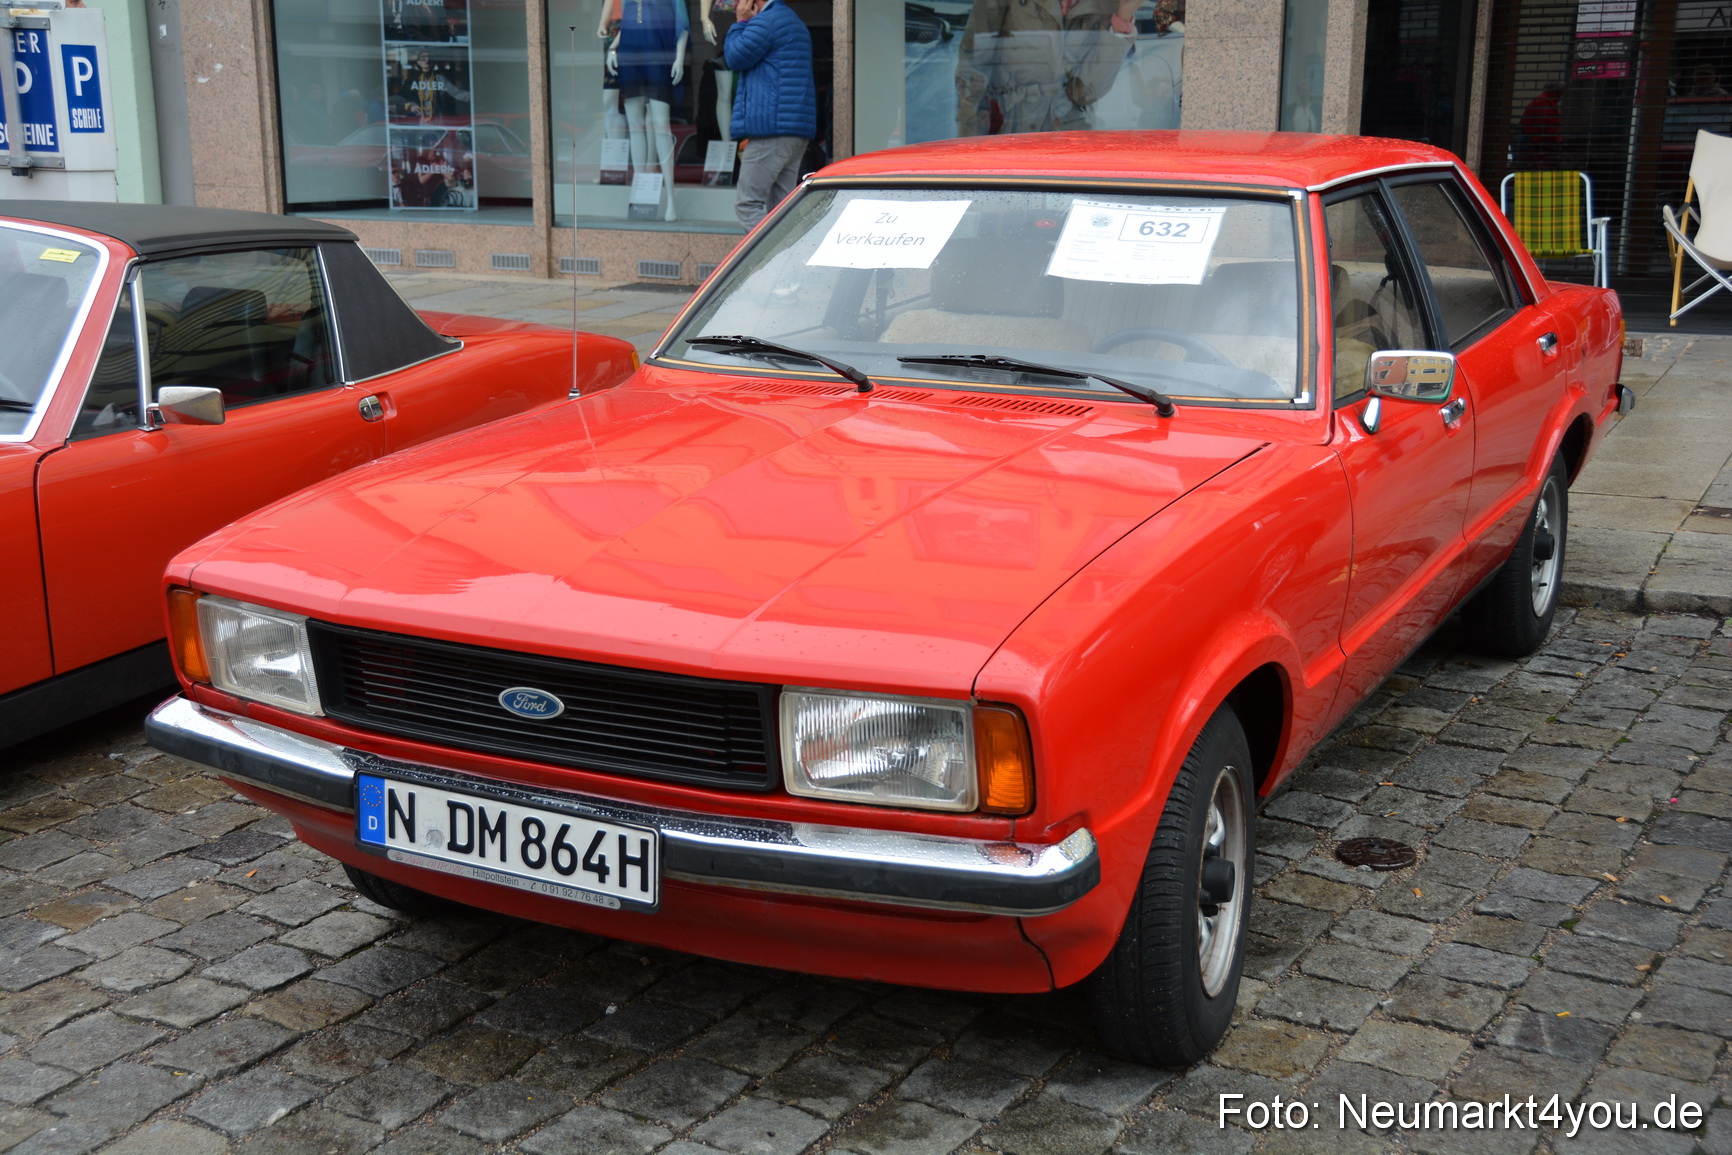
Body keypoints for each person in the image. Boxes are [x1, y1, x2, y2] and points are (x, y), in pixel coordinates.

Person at [723, 0, 816, 230]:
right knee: (781, 208)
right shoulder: (791, 20)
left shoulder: (766, 22)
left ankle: (772, 261)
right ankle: (788, 258)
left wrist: (741, 21)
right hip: (792, 130)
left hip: (770, 130)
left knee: (748, 205)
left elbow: (734, 57)